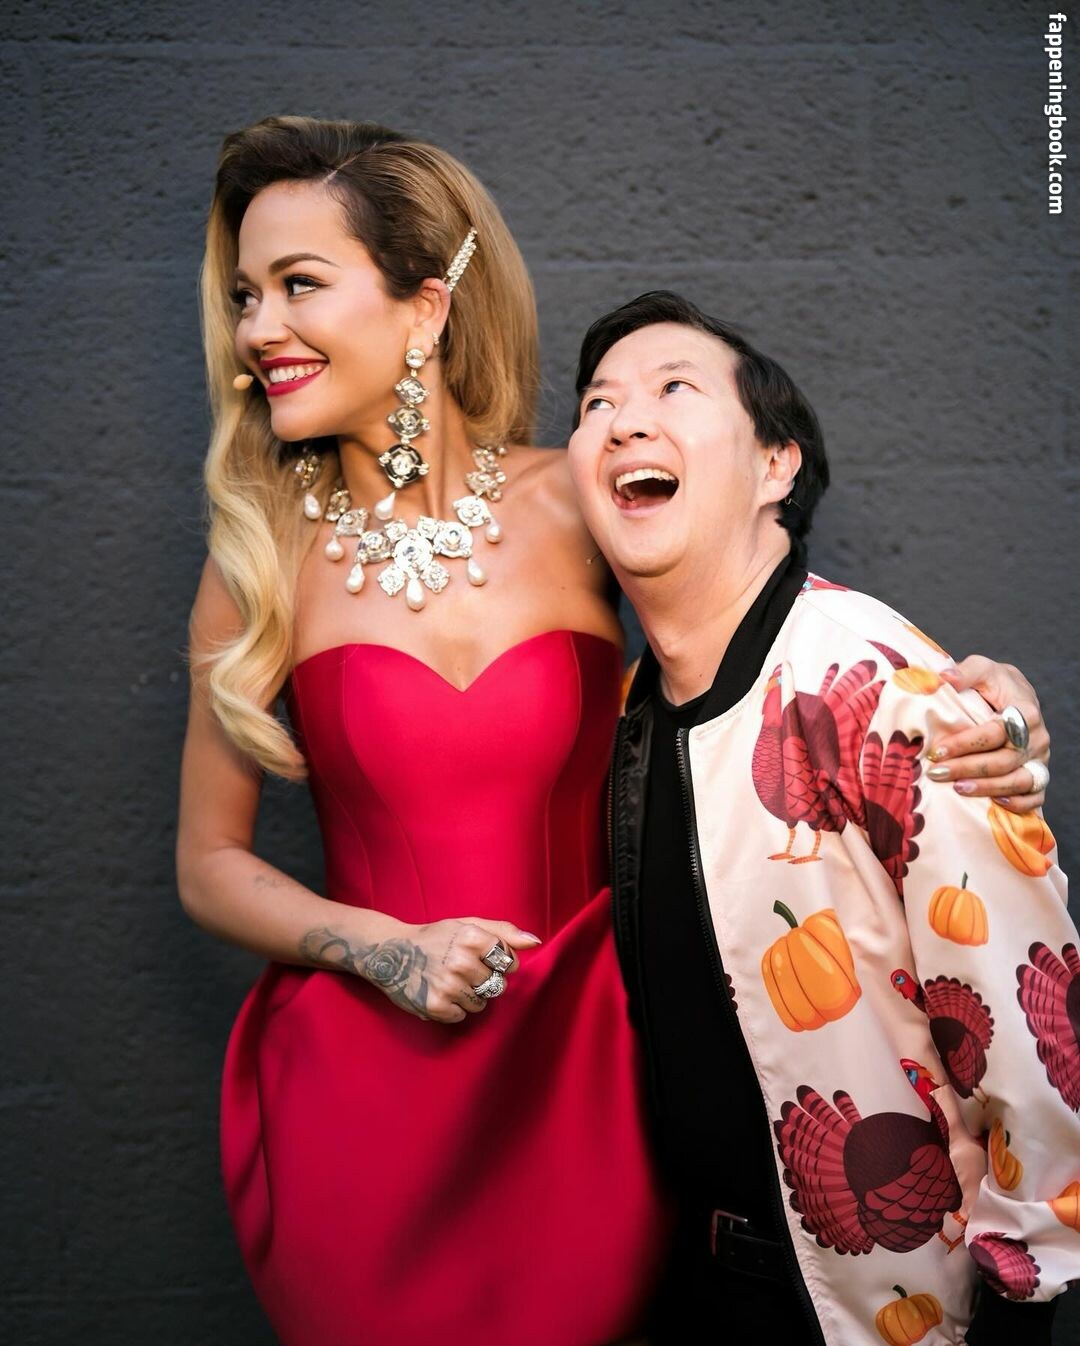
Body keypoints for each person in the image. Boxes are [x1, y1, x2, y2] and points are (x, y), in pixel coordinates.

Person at [175, 117, 1049, 1346]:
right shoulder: (257, 561)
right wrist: (386, 950)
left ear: (425, 308)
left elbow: (756, 634)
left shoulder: (580, 496)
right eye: (244, 296)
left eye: (298, 284)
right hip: (363, 1097)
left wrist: (976, 695)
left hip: (591, 1077)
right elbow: (206, 863)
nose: (259, 327)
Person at [566, 290, 1075, 1346]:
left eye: (673, 388)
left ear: (775, 466)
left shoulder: (881, 684)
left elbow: (1034, 1032)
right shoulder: (628, 713)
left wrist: (1027, 1290)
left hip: (895, 1317)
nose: (622, 421)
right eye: (596, 404)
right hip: (695, 1289)